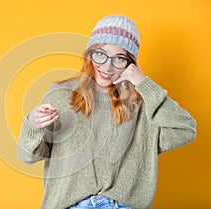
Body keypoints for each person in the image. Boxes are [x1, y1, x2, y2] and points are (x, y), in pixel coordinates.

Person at [17, 15, 196, 209]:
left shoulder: (144, 104)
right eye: (101, 54)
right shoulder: (61, 95)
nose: (107, 67)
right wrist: (32, 125)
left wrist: (144, 85)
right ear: (90, 55)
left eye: (119, 58)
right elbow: (28, 157)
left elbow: (185, 129)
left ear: (130, 64)